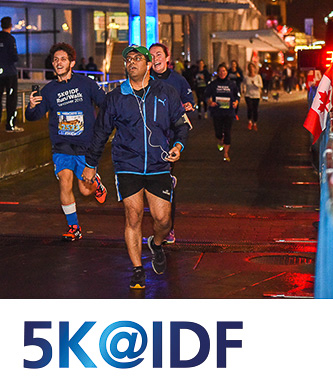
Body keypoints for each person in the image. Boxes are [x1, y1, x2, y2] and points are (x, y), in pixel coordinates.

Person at [83, 45, 190, 290]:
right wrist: (90, 164)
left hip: (159, 164)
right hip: (127, 163)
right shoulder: (115, 97)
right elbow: (100, 132)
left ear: (148, 64)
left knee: (163, 220)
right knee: (133, 216)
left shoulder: (166, 92)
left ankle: (157, 244)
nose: (131, 62)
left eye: (137, 58)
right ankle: (138, 270)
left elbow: (181, 124)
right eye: (128, 59)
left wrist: (178, 146)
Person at [25, 42, 108, 241]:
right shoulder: (48, 90)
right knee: (65, 181)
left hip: (85, 145)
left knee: (85, 190)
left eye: (63, 59)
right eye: (55, 60)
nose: (58, 62)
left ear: (71, 63)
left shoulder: (86, 83)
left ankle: (96, 183)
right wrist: (31, 106)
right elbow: (33, 116)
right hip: (61, 145)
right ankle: (74, 228)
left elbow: (105, 103)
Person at [149, 42, 195, 244]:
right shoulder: (144, 79)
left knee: (164, 186)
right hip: (147, 139)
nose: (155, 58)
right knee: (149, 186)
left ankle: (169, 229)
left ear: (167, 58)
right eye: (151, 55)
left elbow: (189, 100)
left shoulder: (178, 80)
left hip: (170, 138)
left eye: (159, 54)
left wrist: (188, 105)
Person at [205, 62, 240, 162]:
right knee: (218, 132)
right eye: (220, 71)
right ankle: (220, 140)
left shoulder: (231, 84)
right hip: (217, 112)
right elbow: (206, 95)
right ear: (217, 73)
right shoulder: (213, 84)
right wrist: (210, 102)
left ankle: (226, 153)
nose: (222, 73)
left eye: (224, 71)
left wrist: (236, 102)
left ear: (227, 72)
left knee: (227, 132)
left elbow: (237, 95)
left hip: (229, 112)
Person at [241, 62, 264, 131]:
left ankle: (255, 123)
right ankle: (250, 121)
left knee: (255, 109)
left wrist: (255, 84)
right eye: (250, 68)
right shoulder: (246, 77)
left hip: (256, 95)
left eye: (252, 67)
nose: (251, 69)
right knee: (250, 108)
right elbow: (243, 84)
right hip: (248, 95)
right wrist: (243, 89)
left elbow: (261, 85)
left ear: (254, 68)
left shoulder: (258, 77)